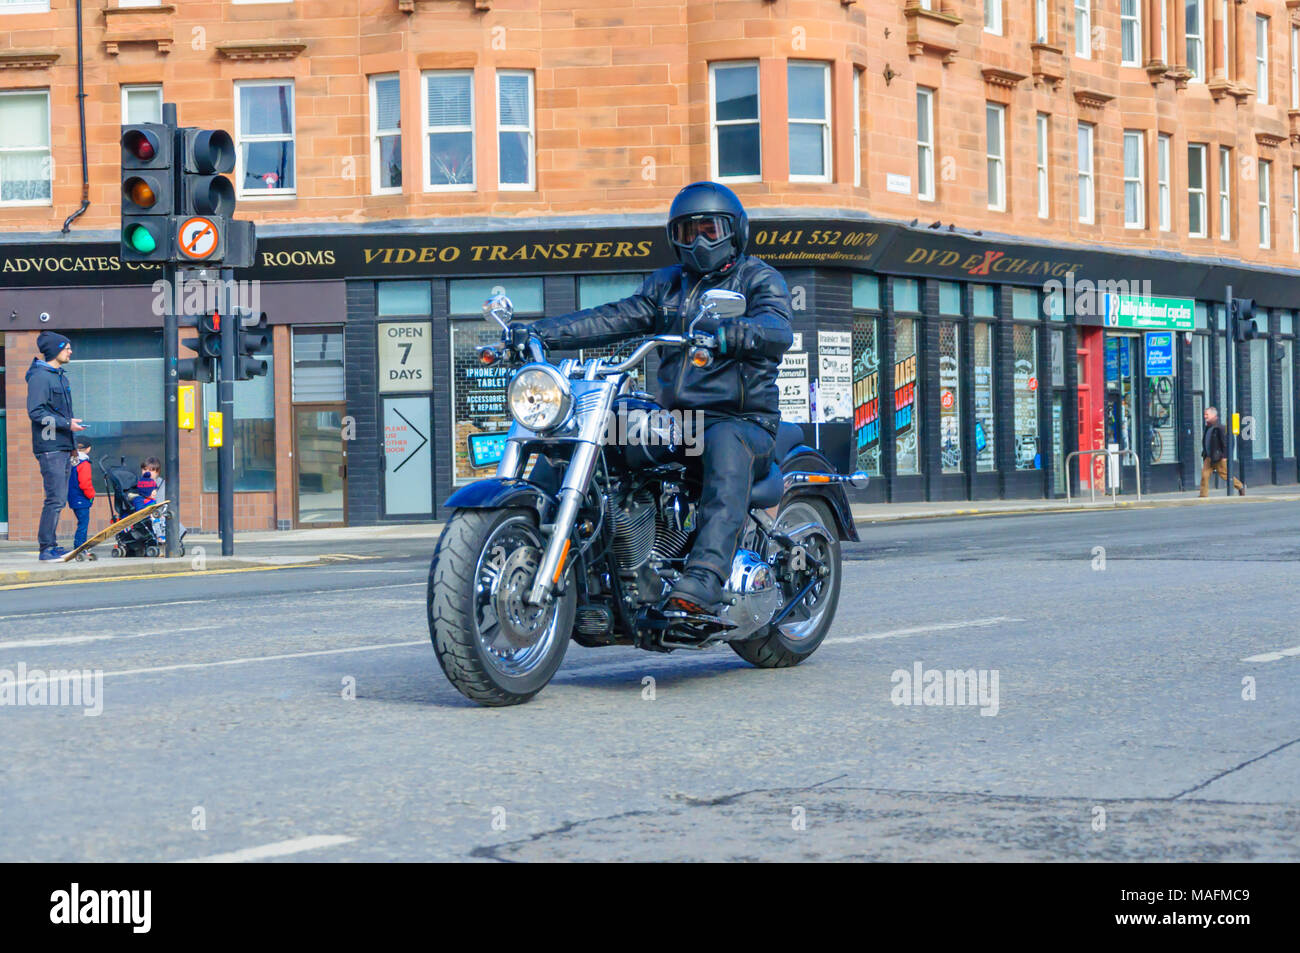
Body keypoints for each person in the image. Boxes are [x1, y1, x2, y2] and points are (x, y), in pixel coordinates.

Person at [519, 181, 794, 615]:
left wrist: (743, 332)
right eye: (688, 233)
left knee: (724, 446)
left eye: (710, 229)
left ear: (735, 231)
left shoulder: (759, 278)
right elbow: (616, 317)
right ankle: (540, 532)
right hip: (680, 423)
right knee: (602, 430)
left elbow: (778, 328)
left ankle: (705, 575)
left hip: (742, 421)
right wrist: (541, 332)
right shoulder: (666, 285)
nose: (699, 242)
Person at [26, 330, 85, 561]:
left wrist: (71, 445)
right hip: (49, 448)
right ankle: (46, 548)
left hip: (60, 447)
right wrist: (66, 424)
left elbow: (61, 413)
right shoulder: (41, 377)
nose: (70, 351)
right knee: (55, 499)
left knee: (58, 499)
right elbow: (36, 412)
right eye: (66, 347)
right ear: (55, 350)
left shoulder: (59, 375)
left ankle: (51, 546)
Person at [1200, 406, 1245, 497]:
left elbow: (1226, 443)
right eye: (1205, 414)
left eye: (1207, 414)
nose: (1205, 416)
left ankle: (1240, 487)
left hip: (1219, 457)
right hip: (1209, 457)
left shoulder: (1220, 428)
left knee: (1225, 474)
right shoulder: (1208, 428)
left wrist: (1225, 456)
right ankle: (1203, 495)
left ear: (1213, 415)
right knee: (1204, 475)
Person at [67, 440, 96, 550]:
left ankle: (80, 545)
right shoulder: (84, 463)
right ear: (88, 449)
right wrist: (91, 495)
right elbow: (85, 483)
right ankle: (80, 546)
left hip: (72, 497)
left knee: (81, 522)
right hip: (82, 498)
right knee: (83, 524)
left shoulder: (71, 461)